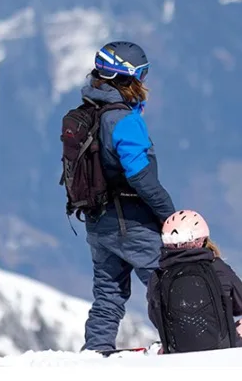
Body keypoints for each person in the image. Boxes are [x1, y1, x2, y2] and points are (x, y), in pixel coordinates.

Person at [79, 41, 176, 350]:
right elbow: (142, 179)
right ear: (128, 77)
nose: (145, 82)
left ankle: (95, 355)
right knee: (167, 286)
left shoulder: (87, 113)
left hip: (97, 223)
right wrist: (171, 220)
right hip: (131, 223)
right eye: (142, 75)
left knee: (108, 295)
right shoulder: (124, 121)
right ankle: (188, 348)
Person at [147, 210, 242, 353]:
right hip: (226, 349)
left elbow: (157, 319)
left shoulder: (158, 277)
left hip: (178, 354)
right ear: (201, 240)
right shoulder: (217, 267)